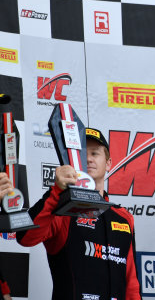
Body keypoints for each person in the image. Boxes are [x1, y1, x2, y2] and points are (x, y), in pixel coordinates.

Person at [17, 128, 141, 300]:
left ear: (109, 163)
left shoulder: (124, 218)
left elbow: (132, 282)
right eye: (82, 153)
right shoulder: (63, 210)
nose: (88, 159)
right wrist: (56, 192)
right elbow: (25, 237)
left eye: (95, 153)